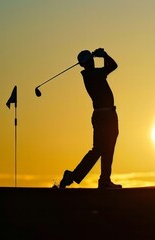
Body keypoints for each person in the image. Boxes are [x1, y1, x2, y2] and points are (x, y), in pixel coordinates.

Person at [59, 48, 122, 189]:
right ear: (85, 64)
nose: (92, 62)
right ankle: (75, 176)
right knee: (100, 149)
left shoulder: (90, 74)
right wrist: (104, 55)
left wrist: (102, 56)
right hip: (105, 116)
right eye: (90, 61)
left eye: (92, 60)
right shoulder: (93, 74)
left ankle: (103, 180)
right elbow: (113, 66)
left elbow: (109, 67)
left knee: (105, 149)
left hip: (105, 115)